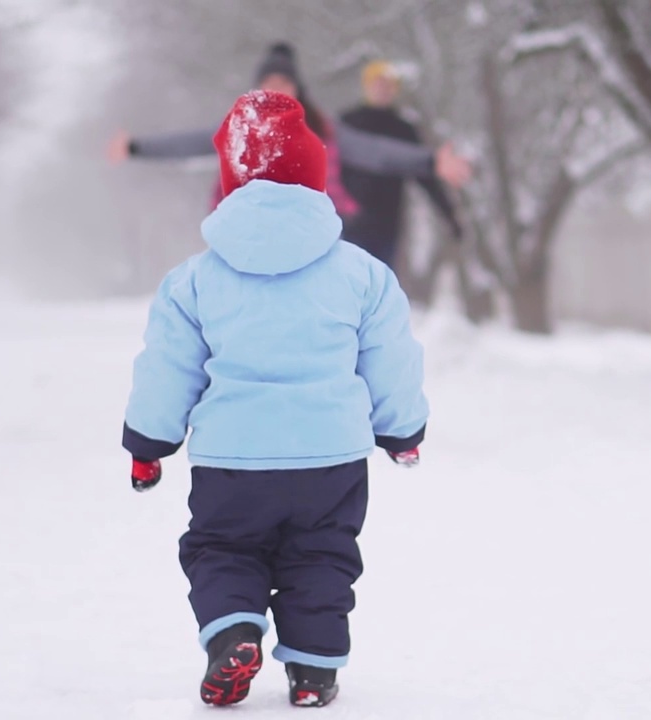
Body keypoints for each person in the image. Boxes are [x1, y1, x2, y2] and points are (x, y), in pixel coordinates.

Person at [121, 90, 428, 709]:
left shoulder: (194, 279)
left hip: (232, 462)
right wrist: (402, 432)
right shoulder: (362, 272)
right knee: (320, 557)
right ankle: (314, 673)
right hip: (330, 460)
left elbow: (167, 370)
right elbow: (391, 360)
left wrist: (148, 444)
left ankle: (234, 632)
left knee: (223, 549)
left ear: (231, 181)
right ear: (317, 178)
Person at [108, 43, 470, 218]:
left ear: (297, 87)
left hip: (309, 225)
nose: (279, 88)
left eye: (286, 81)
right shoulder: (241, 126)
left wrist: (428, 162)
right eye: (271, 81)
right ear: (259, 86)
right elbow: (188, 142)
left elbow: (374, 151)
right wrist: (137, 147)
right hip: (247, 224)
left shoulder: (321, 129)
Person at [339, 60, 463, 268]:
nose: (382, 90)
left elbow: (425, 175)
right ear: (366, 86)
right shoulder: (348, 123)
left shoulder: (403, 130)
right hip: (350, 222)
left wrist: (449, 214)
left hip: (388, 224)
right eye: (377, 84)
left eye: (387, 85)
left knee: (381, 286)